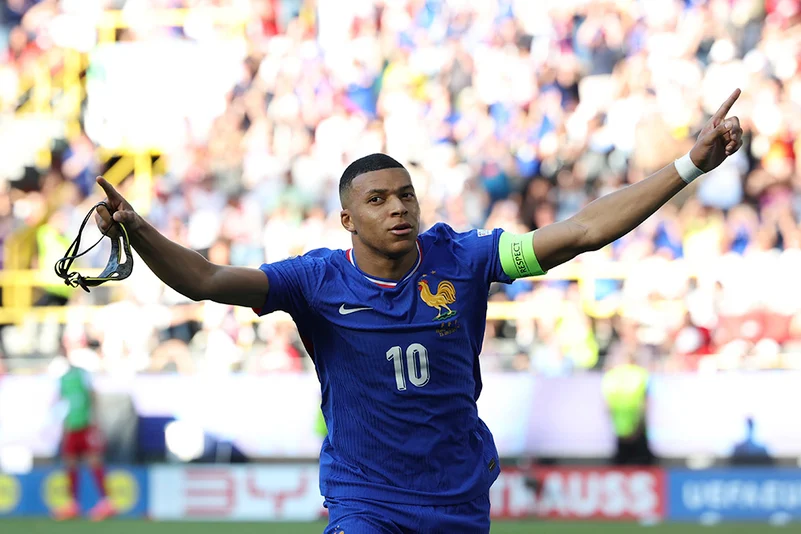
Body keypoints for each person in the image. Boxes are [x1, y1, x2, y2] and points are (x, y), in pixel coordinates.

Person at [93, 89, 743, 533]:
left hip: (455, 495)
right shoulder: (314, 281)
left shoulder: (464, 259)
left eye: (406, 195)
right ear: (347, 218)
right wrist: (138, 229)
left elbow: (577, 233)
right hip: (364, 497)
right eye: (378, 200)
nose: (399, 207)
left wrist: (687, 165)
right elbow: (206, 279)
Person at [53, 359, 115, 521]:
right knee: (70, 463)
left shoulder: (83, 375)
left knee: (94, 461)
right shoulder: (62, 379)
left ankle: (107, 502)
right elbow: (62, 403)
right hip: (71, 426)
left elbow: (92, 396)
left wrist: (95, 421)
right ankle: (72, 504)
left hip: (86, 425)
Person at [601, 351, 655, 466]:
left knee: (621, 460)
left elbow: (607, 404)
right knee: (641, 460)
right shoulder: (641, 374)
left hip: (619, 423)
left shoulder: (611, 376)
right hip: (637, 422)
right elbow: (646, 400)